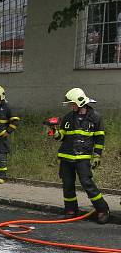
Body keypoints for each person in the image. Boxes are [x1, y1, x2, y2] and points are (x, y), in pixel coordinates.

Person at [51, 88, 110, 224]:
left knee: (87, 183)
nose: (71, 106)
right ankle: (71, 210)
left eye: (73, 103)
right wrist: (54, 132)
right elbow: (61, 136)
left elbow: (100, 139)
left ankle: (102, 209)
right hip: (66, 157)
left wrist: (97, 156)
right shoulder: (68, 118)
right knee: (67, 184)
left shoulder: (95, 117)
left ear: (80, 102)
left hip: (82, 157)